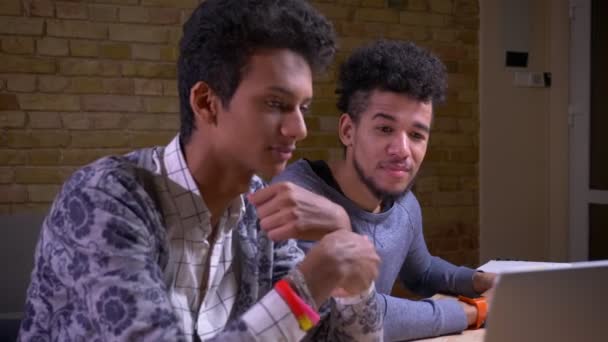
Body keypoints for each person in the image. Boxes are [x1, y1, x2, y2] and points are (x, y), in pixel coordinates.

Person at [18, 1, 383, 341]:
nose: (299, 128)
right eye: (276, 103)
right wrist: (312, 281)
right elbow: (294, 309)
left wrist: (350, 267)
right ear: (206, 103)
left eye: (302, 107)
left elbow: (310, 332)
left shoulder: (258, 216)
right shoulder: (103, 198)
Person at [272, 40, 496, 341]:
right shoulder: (297, 201)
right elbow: (343, 312)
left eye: (416, 135)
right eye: (385, 129)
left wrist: (484, 281)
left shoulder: (403, 203)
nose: (402, 150)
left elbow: (423, 271)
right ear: (348, 131)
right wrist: (475, 311)